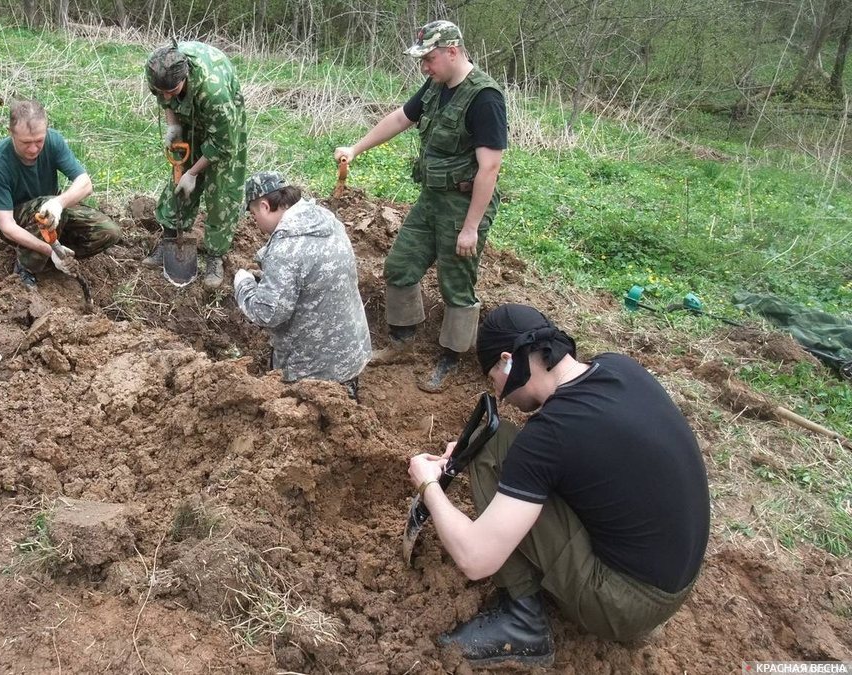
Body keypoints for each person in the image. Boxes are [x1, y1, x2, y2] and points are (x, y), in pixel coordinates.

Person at [407, 304, 709, 666]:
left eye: (494, 380)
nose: (500, 394)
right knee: (502, 447)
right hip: (676, 579)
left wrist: (429, 487)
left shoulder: (550, 434)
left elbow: (475, 559)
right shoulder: (618, 368)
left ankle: (522, 623)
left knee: (490, 445)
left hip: (625, 604)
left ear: (508, 361)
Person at [335, 20, 507, 392]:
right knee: (400, 266)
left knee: (456, 284)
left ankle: (450, 357)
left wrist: (471, 227)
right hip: (432, 198)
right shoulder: (436, 86)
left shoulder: (484, 98)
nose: (424, 67)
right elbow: (401, 117)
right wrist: (356, 148)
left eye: (429, 59)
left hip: (464, 204)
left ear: (452, 51)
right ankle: (402, 343)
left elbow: (490, 167)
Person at [233, 171, 371, 399]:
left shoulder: (286, 247)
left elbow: (268, 314)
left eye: (254, 213)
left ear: (266, 206)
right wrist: (268, 278)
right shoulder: (326, 220)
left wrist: (243, 284)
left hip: (311, 373)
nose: (255, 222)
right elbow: (309, 277)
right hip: (350, 353)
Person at [142, 40, 248, 290]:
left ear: (186, 75)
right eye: (162, 91)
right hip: (188, 108)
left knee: (222, 190)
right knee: (178, 182)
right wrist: (174, 125)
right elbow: (166, 99)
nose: (166, 95)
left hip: (223, 126)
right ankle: (170, 240)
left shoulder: (214, 93)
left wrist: (193, 172)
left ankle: (214, 256)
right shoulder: (157, 70)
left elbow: (222, 145)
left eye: (172, 89)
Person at [0, 98, 122, 287]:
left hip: (52, 212)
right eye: (26, 142)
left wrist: (59, 204)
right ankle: (26, 265)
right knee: (45, 208)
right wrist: (50, 251)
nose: (33, 149)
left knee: (109, 232)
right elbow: (7, 226)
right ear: (10, 132)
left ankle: (61, 255)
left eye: (39, 141)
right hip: (15, 219)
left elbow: (85, 183)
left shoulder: (53, 141)